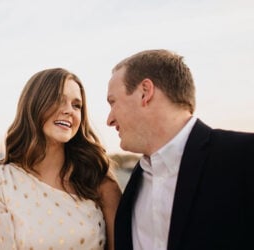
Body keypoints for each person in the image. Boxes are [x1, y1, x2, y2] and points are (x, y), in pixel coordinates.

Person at [106, 49, 254, 250]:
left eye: (113, 102)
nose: (109, 119)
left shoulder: (244, 157)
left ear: (145, 92)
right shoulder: (131, 189)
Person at [0, 68, 122, 250]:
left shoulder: (99, 181)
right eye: (59, 100)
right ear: (35, 105)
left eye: (77, 105)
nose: (69, 110)